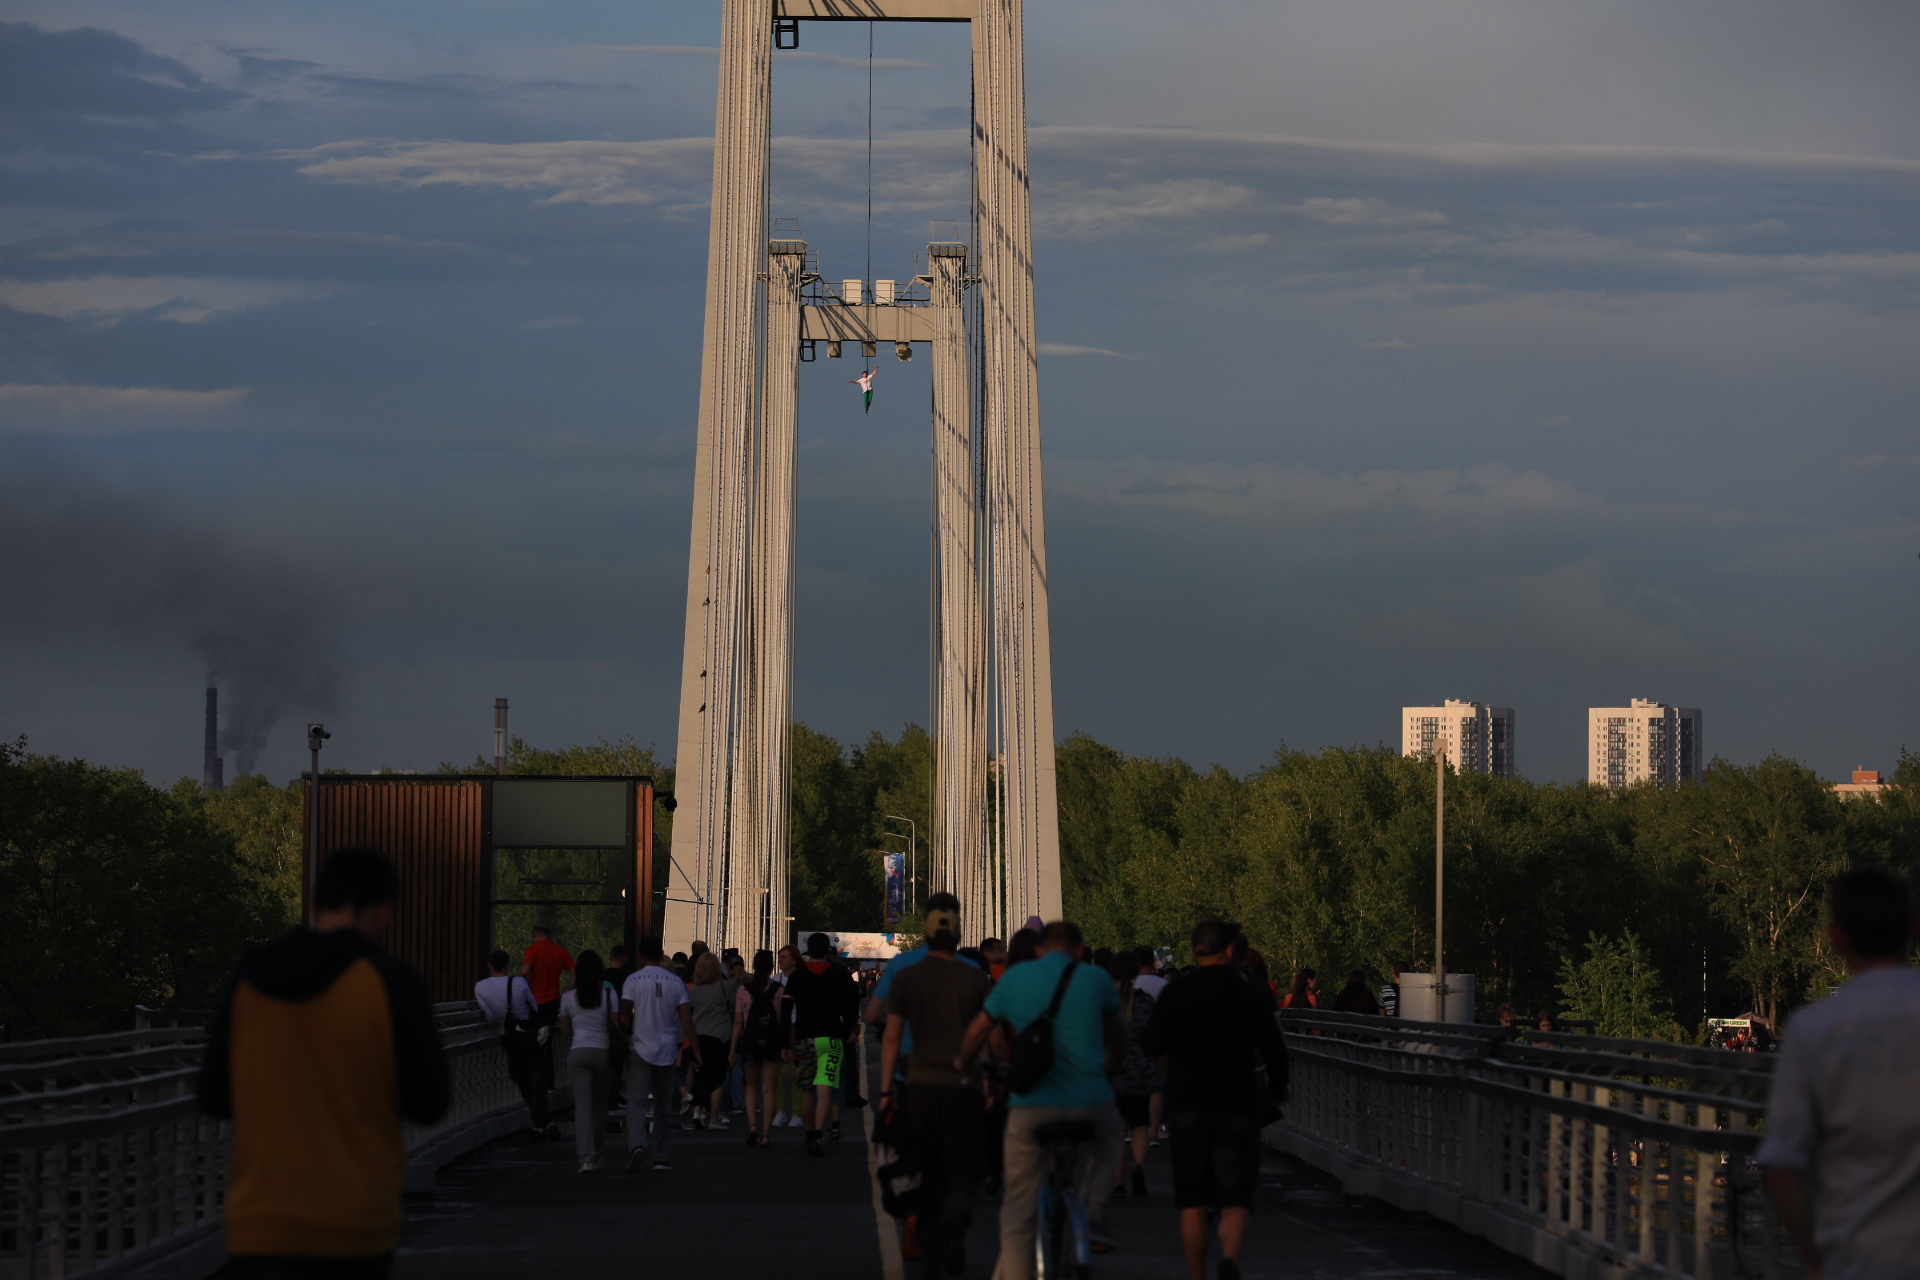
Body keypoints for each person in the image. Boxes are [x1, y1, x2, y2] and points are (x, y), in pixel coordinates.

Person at [198, 847, 447, 1280]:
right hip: (354, 1222)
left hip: (260, 1222)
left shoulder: (250, 978)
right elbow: (428, 1101)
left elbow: (214, 1095)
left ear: (315, 903)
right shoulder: (391, 982)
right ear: (381, 909)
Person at [1759, 868, 1920, 1280]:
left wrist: (1814, 1258)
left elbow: (1780, 1164)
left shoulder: (1814, 1030)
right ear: (1912, 929)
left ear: (1835, 938)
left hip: (1854, 1258)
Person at [957, 919, 1126, 1276]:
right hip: (1090, 1103)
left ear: (1038, 950)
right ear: (1079, 952)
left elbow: (978, 1034)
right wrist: (1112, 1065)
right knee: (1112, 1133)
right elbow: (1120, 1038)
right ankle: (1094, 1210)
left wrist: (964, 1066)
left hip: (1031, 1106)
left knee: (1018, 1212)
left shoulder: (1015, 979)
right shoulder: (1097, 979)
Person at [1139, 917, 1290, 1280]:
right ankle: (1230, 1260)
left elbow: (1152, 1043)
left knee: (1193, 1201)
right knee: (1236, 1197)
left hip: (1189, 1106)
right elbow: (1275, 1050)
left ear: (1195, 950)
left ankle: (1196, 1275)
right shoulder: (1250, 993)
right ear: (1228, 950)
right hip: (1237, 1104)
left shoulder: (1177, 992)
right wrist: (1277, 1090)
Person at [880, 896, 992, 1280]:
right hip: (964, 1088)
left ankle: (928, 1246)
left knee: (922, 1167)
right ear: (959, 932)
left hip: (917, 1088)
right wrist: (991, 1081)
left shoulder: (907, 976)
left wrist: (883, 1095)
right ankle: (956, 1216)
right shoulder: (976, 978)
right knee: (965, 1165)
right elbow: (990, 1040)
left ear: (925, 932)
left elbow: (892, 1037)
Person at [620, 935, 696, 1173]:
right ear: (661, 952)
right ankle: (660, 1156)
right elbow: (686, 1019)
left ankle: (637, 1145)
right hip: (667, 1050)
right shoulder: (676, 982)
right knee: (664, 1105)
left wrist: (626, 1030)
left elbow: (623, 1017)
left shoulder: (633, 980)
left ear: (640, 956)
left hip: (640, 1048)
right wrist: (696, 1049)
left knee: (636, 1101)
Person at [784, 932, 862, 1156]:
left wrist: (785, 1042)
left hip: (804, 1038)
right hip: (832, 1038)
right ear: (828, 950)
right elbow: (851, 1003)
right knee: (826, 1088)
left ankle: (809, 1133)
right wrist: (847, 1029)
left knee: (807, 1090)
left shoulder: (798, 976)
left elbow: (787, 1008)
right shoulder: (839, 973)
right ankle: (820, 1131)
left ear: (808, 951)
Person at [474, 948, 552, 1138]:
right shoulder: (518, 982)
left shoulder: (480, 987)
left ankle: (540, 1120)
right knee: (537, 1079)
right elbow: (534, 1006)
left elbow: (490, 1016)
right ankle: (542, 1121)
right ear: (508, 965)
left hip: (509, 1039)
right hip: (529, 1037)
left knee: (520, 1078)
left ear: (489, 965)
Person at [1108, 951, 1162, 1199]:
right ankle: (1139, 1167)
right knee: (1140, 1121)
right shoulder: (1146, 1002)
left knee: (1116, 1128)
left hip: (1112, 1071)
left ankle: (1118, 1182)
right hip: (1141, 1069)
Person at [559, 949, 618, 1172]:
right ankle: (599, 1152)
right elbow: (614, 1024)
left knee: (582, 1107)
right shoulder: (608, 994)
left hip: (578, 1053)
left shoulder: (568, 998)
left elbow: (565, 1031)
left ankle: (585, 1158)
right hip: (603, 1052)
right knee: (600, 1106)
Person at [733, 949, 787, 1146]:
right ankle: (766, 1134)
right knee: (769, 1089)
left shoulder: (743, 990)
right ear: (771, 966)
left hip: (750, 1042)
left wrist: (732, 1049)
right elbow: (783, 1020)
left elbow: (738, 1023)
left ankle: (752, 1126)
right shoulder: (779, 990)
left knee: (751, 1087)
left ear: (754, 966)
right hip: (773, 1042)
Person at [687, 951, 735, 1130]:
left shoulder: (695, 988)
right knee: (717, 1079)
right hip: (719, 1035)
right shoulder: (724, 986)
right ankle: (713, 1118)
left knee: (701, 1075)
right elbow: (735, 1007)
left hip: (699, 1035)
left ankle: (697, 1111)